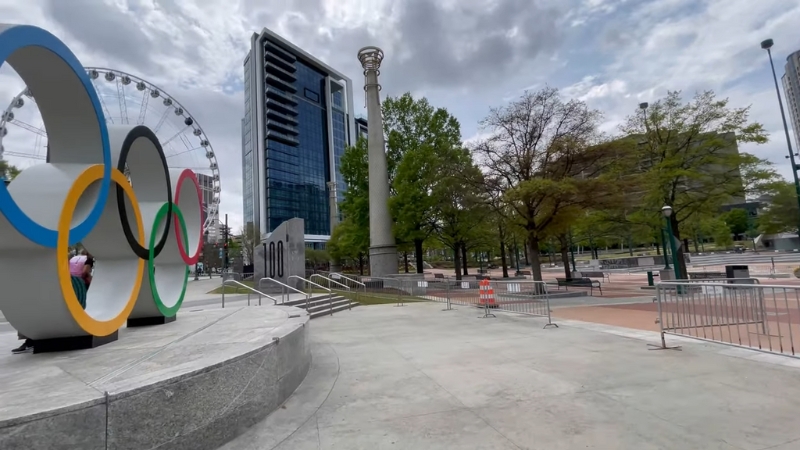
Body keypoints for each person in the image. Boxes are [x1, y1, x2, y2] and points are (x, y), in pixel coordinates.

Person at [12, 249, 94, 354]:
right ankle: (30, 340)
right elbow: (84, 272)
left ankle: (30, 341)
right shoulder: (87, 260)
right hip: (73, 285)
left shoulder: (71, 258)